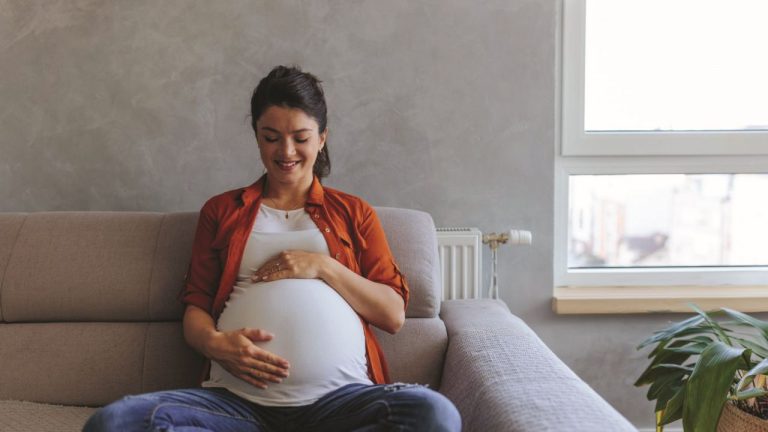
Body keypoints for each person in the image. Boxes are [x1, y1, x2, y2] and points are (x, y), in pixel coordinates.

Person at [82, 65, 462, 432]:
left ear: (322, 137)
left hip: (340, 403)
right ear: (256, 135)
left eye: (301, 137)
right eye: (271, 136)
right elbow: (196, 307)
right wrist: (216, 344)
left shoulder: (352, 212)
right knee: (114, 422)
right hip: (237, 403)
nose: (286, 151)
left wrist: (322, 266)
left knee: (433, 413)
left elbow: (393, 314)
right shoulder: (222, 211)